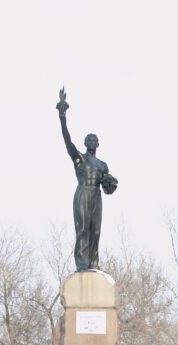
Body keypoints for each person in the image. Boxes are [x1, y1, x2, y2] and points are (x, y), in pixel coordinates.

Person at [56, 88, 118, 271]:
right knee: (82, 228)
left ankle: (93, 262)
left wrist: (111, 183)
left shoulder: (102, 164)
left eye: (94, 140)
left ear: (98, 144)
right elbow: (67, 141)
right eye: (88, 140)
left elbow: (108, 188)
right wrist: (62, 117)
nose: (91, 142)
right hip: (83, 192)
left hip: (96, 196)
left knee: (95, 230)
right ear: (85, 144)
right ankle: (82, 263)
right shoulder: (79, 159)